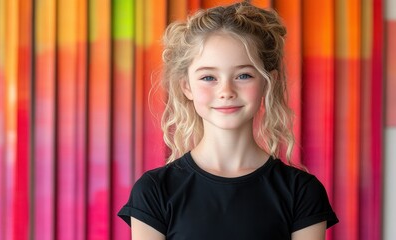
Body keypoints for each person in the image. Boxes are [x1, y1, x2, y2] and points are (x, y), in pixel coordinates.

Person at [118, 2, 338, 239]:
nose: (226, 91)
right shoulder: (154, 190)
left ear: (267, 82)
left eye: (243, 75)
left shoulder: (302, 192)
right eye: (208, 77)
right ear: (186, 86)